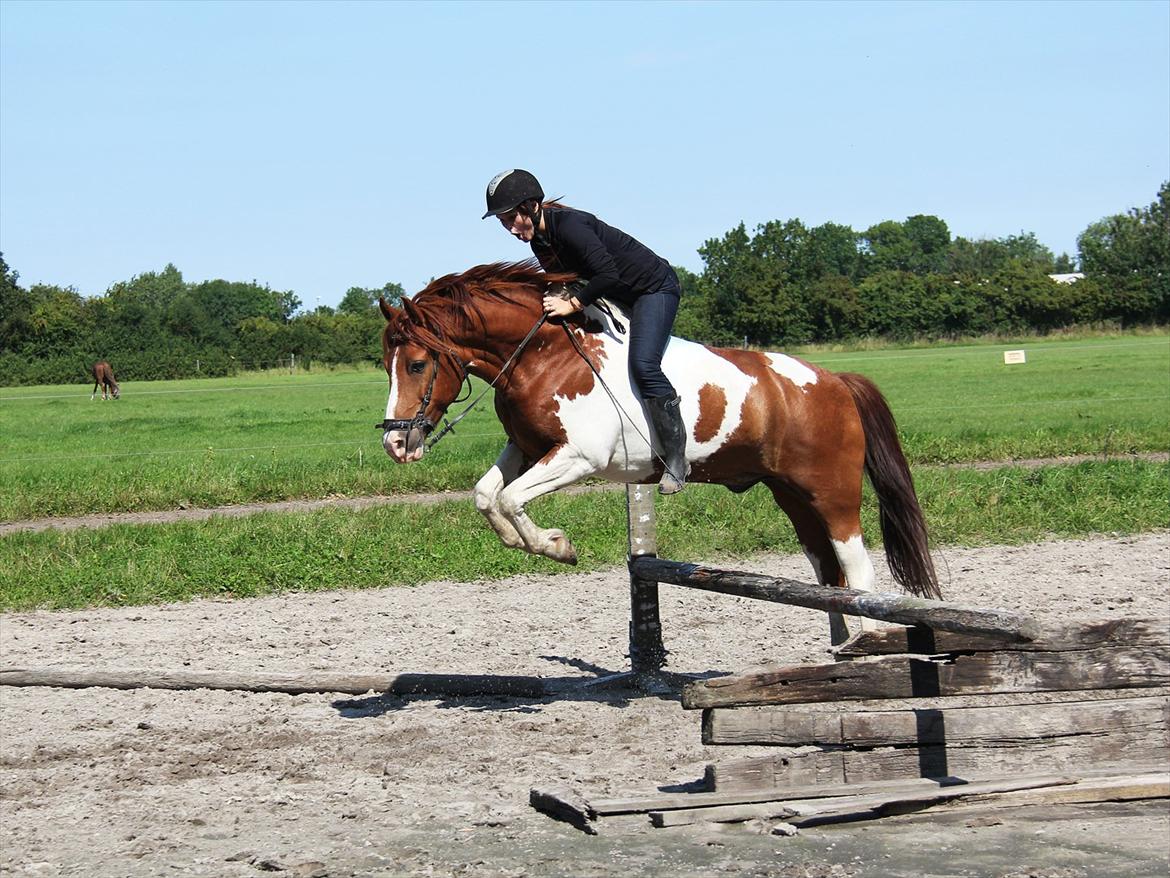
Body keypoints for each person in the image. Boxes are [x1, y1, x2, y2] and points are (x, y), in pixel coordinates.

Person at [482, 168, 688, 494]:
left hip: (652, 290)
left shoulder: (571, 227)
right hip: (612, 293)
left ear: (532, 207)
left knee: (643, 366)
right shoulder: (539, 239)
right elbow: (565, 278)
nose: (508, 228)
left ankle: (677, 459)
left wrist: (574, 303)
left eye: (510, 219)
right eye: (503, 223)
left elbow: (608, 274)